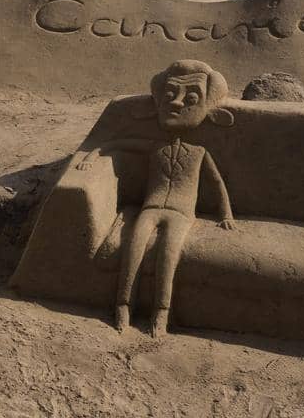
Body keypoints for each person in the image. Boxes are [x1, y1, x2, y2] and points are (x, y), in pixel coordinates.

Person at [75, 60, 235, 337]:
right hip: (150, 208)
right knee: (133, 250)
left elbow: (218, 183)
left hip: (182, 213)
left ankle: (160, 314)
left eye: (192, 97)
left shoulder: (199, 152)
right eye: (170, 95)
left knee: (168, 257)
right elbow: (116, 144)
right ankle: (123, 305)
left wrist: (226, 214)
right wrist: (91, 157)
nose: (177, 104)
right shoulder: (156, 147)